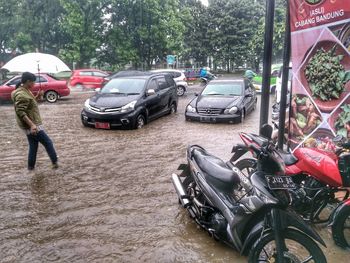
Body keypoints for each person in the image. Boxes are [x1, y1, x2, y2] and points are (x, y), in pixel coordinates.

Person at [11, 72, 58, 170]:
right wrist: (32, 125)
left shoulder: (25, 90)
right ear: (28, 82)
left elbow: (30, 105)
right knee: (48, 142)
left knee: (33, 146)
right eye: (33, 82)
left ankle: (30, 168)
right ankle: (55, 164)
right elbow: (20, 112)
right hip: (32, 125)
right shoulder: (21, 94)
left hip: (29, 125)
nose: (34, 84)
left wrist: (37, 97)